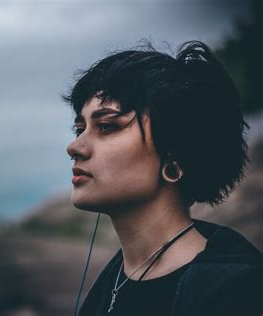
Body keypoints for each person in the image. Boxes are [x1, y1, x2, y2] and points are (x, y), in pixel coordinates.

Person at [63, 41, 262, 316]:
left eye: (107, 126)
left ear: (174, 155)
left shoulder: (237, 292)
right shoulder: (117, 277)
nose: (74, 148)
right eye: (80, 128)